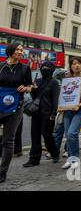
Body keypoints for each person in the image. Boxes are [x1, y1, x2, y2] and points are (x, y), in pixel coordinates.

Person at [0, 43, 33, 183]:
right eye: (18, 49)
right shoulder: (1, 66)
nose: (20, 51)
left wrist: (25, 88)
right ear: (11, 51)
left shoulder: (25, 68)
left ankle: (2, 172)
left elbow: (31, 86)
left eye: (21, 50)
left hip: (15, 107)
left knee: (9, 140)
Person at [59, 57, 81, 170]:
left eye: (79, 63)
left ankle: (75, 160)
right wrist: (60, 106)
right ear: (70, 66)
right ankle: (70, 159)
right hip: (68, 110)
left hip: (80, 110)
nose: (76, 66)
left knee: (72, 133)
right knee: (68, 136)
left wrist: (79, 105)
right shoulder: (67, 78)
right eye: (74, 64)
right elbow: (63, 95)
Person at [23, 61, 60, 167]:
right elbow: (34, 97)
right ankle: (34, 159)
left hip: (48, 114)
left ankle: (54, 153)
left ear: (52, 69)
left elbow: (55, 100)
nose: (44, 69)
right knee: (35, 136)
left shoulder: (54, 83)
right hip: (36, 112)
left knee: (47, 135)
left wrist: (53, 113)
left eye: (47, 67)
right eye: (43, 67)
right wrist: (33, 90)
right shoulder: (37, 81)